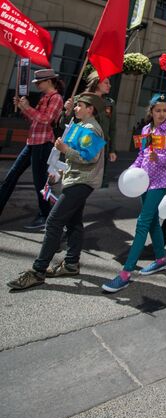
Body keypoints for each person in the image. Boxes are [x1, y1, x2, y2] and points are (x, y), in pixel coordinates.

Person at [7, 93, 105, 290]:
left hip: (82, 182)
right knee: (74, 222)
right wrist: (60, 170)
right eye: (76, 106)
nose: (76, 108)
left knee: (53, 221)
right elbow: (74, 159)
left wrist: (64, 149)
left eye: (80, 106)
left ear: (90, 109)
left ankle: (38, 271)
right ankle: (70, 264)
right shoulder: (81, 127)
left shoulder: (92, 128)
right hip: (75, 179)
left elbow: (89, 157)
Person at [102, 93, 166, 292]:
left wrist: (160, 159)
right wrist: (131, 170)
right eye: (158, 110)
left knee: (143, 221)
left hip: (160, 182)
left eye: (165, 110)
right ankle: (161, 258)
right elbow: (141, 155)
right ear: (152, 112)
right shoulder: (146, 130)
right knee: (153, 219)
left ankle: (126, 272)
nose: (162, 113)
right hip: (143, 181)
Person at [0, 67, 64, 231]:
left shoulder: (56, 98)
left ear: (49, 81)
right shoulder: (45, 97)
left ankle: (47, 214)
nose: (37, 85)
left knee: (40, 183)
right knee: (11, 177)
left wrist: (27, 107)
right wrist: (23, 108)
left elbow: (46, 120)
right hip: (32, 142)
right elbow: (34, 120)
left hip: (43, 143)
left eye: (39, 82)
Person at [61, 71, 118, 186]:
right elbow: (66, 125)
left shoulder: (110, 103)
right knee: (78, 181)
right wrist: (67, 112)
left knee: (90, 182)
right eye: (106, 83)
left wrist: (112, 150)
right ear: (97, 83)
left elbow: (112, 128)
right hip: (81, 146)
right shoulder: (78, 100)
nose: (109, 86)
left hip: (101, 148)